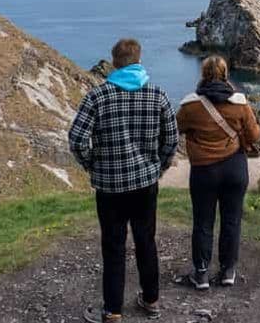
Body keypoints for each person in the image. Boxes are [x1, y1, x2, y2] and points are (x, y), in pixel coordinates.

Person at [69, 38, 179, 323]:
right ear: (139, 60)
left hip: (110, 188)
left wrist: (93, 166)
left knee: (113, 247)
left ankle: (113, 311)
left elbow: (77, 139)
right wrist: (159, 166)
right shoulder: (158, 95)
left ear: (114, 62)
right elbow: (172, 140)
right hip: (145, 183)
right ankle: (151, 300)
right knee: (146, 242)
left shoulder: (98, 96)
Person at [176, 55, 260, 290]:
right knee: (231, 220)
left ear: (203, 74)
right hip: (234, 167)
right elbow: (254, 136)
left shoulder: (190, 106)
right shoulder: (240, 104)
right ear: (226, 74)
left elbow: (176, 128)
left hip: (204, 170)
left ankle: (201, 274)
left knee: (203, 222)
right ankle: (227, 271)